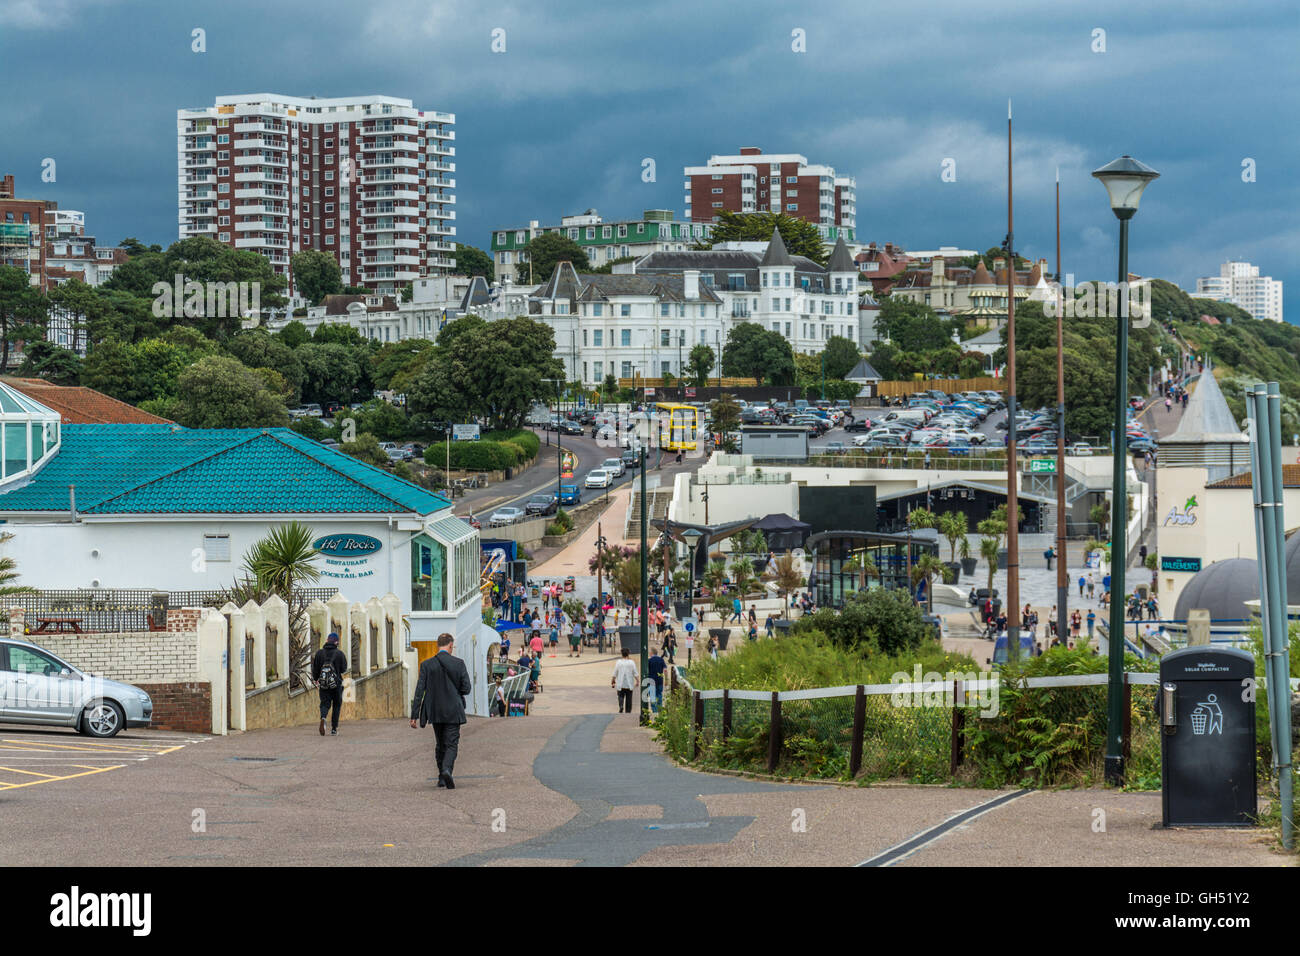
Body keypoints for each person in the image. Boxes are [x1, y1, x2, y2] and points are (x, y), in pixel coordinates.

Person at [409, 632, 473, 789]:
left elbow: (419, 691)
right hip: (453, 710)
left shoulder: (426, 665)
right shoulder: (458, 663)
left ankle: (442, 777)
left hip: (435, 710)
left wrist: (414, 715)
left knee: (440, 743)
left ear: (439, 645)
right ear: (450, 645)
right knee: (451, 743)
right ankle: (446, 770)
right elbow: (466, 688)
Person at [311, 632, 349, 737]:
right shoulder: (340, 654)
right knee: (336, 705)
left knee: (324, 703)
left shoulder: (319, 653)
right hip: (336, 684)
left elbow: (315, 669)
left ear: (327, 640)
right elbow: (343, 669)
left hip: (323, 684)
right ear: (336, 642)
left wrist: (315, 679)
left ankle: (323, 718)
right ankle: (334, 729)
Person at [611, 648, 639, 714]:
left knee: (620, 695)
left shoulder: (618, 662)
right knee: (629, 698)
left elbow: (615, 673)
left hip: (620, 683)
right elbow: (635, 673)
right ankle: (628, 711)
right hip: (629, 684)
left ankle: (621, 706)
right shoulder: (632, 662)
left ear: (622, 654)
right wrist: (637, 681)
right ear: (628, 654)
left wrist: (613, 680)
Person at [646, 647, 665, 714]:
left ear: (651, 653)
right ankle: (660, 710)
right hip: (660, 681)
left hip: (651, 681)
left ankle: (655, 711)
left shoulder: (649, 660)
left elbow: (647, 671)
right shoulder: (661, 660)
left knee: (652, 697)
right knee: (659, 694)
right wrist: (667, 680)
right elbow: (665, 670)